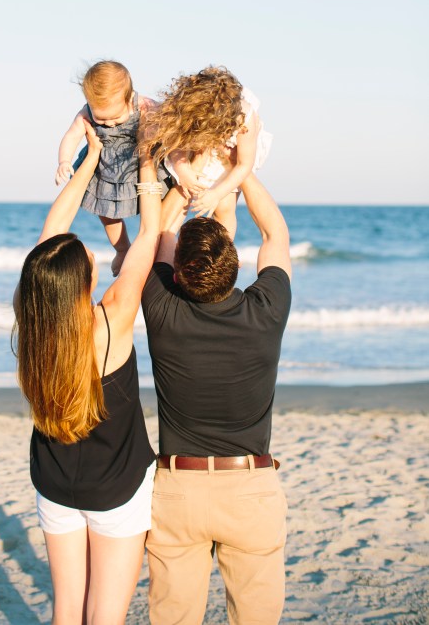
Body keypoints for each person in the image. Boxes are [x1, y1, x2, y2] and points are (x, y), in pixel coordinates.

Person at [15, 118, 162, 625]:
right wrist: (147, 162)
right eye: (89, 261)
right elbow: (150, 236)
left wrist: (89, 161)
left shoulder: (34, 320)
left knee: (67, 611)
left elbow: (50, 236)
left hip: (53, 484)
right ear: (83, 280)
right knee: (104, 616)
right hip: (116, 491)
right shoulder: (112, 317)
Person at [141, 173, 292, 625]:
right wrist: (240, 170)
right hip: (249, 489)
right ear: (237, 264)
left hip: (178, 490)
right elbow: (275, 234)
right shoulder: (266, 310)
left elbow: (159, 235)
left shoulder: (161, 308)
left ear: (179, 273)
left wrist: (182, 185)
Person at [55, 59, 169, 274]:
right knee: (106, 213)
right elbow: (71, 136)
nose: (108, 124)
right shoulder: (86, 113)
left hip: (137, 167)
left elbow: (167, 122)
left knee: (157, 204)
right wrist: (64, 161)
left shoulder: (144, 105)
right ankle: (122, 248)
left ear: (129, 97)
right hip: (104, 171)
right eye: (102, 119)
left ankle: (156, 245)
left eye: (116, 118)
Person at [144, 66, 272, 239]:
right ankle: (167, 238)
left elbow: (244, 165)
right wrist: (183, 169)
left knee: (224, 207)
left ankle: (223, 247)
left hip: (229, 151)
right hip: (192, 141)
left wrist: (217, 194)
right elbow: (175, 141)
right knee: (184, 188)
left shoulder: (244, 119)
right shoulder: (186, 112)